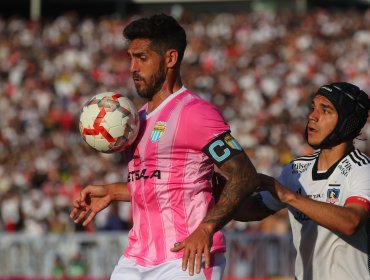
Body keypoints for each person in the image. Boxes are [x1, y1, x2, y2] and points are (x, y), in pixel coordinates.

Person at [70, 14, 259, 280]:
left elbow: (245, 175)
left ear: (170, 59)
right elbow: (166, 184)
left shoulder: (196, 113)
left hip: (186, 258)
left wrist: (206, 228)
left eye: (142, 57)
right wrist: (112, 192)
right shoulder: (134, 120)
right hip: (135, 258)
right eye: (131, 57)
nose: (133, 67)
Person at [231, 82, 370, 280]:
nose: (312, 116)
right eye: (313, 108)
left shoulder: (362, 169)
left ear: (347, 122)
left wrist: (289, 197)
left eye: (326, 110)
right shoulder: (297, 170)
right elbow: (251, 211)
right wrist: (221, 194)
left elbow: (351, 222)